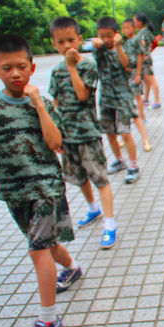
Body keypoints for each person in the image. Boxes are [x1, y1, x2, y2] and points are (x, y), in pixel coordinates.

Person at [0, 34, 82, 327]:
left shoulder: (41, 102)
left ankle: (48, 320)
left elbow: (55, 141)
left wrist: (37, 105)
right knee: (46, 245)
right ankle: (72, 268)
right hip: (13, 191)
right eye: (7, 68)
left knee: (37, 250)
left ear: (32, 68)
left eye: (21, 67)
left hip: (44, 186)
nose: (15, 74)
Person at [48, 17, 120, 249]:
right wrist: (57, 132)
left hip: (88, 134)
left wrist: (71, 67)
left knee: (99, 178)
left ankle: (110, 225)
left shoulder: (87, 66)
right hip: (68, 137)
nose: (67, 45)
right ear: (54, 44)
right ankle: (92, 209)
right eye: (61, 42)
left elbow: (82, 95)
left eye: (71, 39)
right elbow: (56, 103)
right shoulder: (56, 70)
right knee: (78, 177)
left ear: (79, 40)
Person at [92, 17, 141, 188]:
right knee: (110, 133)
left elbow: (126, 63)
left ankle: (134, 166)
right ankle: (119, 161)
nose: (105, 39)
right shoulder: (98, 50)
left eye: (109, 36)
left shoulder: (124, 47)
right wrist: (96, 43)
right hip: (105, 98)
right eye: (102, 36)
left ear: (116, 34)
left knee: (125, 133)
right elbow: (97, 53)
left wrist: (118, 45)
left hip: (122, 97)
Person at [121, 18, 152, 152]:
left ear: (134, 28)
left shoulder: (136, 40)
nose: (125, 30)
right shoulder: (126, 42)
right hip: (126, 76)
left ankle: (142, 116)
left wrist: (138, 74)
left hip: (134, 74)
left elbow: (140, 56)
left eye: (128, 27)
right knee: (129, 103)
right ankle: (124, 138)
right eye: (124, 28)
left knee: (138, 97)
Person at [133, 13, 161, 109]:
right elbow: (155, 42)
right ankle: (146, 99)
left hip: (144, 60)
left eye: (134, 21)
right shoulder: (147, 31)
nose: (134, 23)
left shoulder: (142, 32)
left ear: (139, 22)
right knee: (146, 80)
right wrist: (149, 52)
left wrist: (143, 55)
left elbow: (142, 44)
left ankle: (157, 101)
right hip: (146, 58)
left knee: (151, 80)